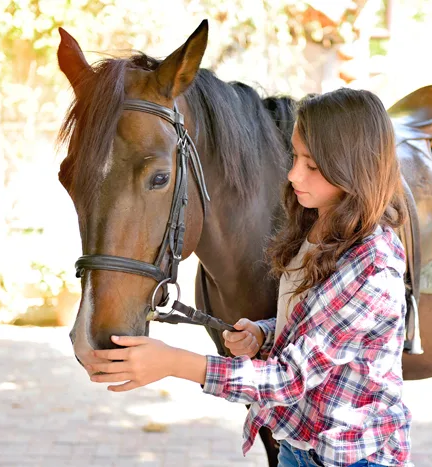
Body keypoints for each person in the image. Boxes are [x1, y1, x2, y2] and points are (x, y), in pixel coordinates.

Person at [87, 88, 413, 467]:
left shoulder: (371, 267)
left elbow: (289, 378)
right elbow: (318, 324)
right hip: (298, 446)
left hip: (352, 457)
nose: (293, 174)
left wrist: (173, 362)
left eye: (311, 165)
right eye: (295, 157)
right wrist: (264, 332)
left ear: (351, 167)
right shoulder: (318, 225)